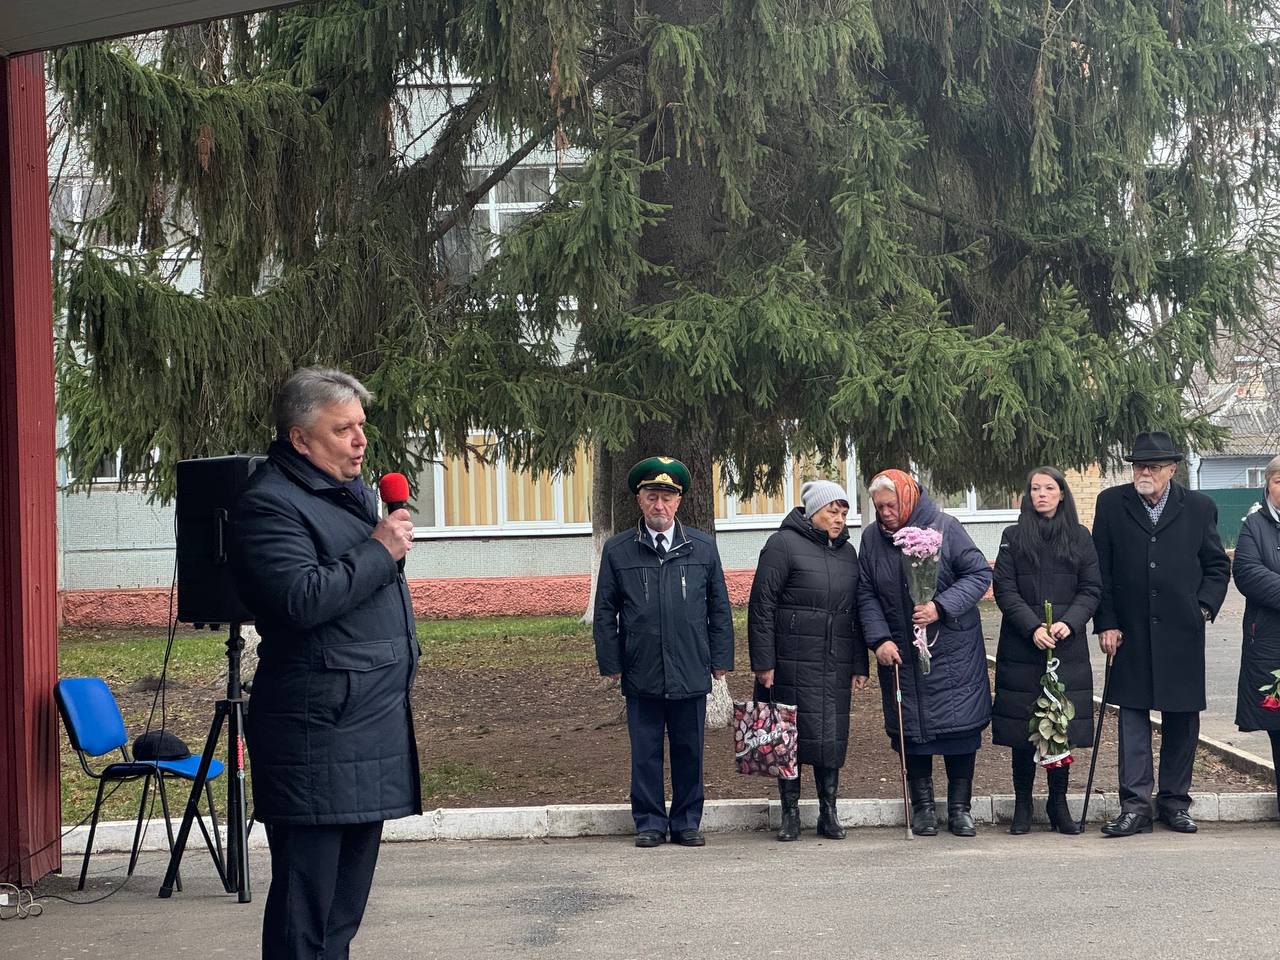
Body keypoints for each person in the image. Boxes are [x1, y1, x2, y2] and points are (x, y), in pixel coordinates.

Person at [231, 367, 420, 959]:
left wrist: (378, 543)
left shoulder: (354, 496)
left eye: (361, 426)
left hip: (366, 727)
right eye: (343, 429)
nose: (361, 440)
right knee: (304, 912)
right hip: (316, 733)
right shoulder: (269, 504)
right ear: (300, 439)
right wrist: (379, 549)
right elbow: (299, 600)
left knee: (340, 913)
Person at [1092, 430, 1230, 837]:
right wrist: (1106, 621)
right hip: (1129, 632)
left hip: (1181, 631)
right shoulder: (1111, 504)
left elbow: (1217, 566)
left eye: (1153, 466)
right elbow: (1102, 569)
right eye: (1138, 465)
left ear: (1172, 469)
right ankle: (1134, 806)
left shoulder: (1199, 506)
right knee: (1132, 717)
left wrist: (1202, 607)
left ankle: (1174, 802)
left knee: (1182, 719)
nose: (1144, 472)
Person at [593, 457, 734, 848]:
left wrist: (721, 658)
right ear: (640, 500)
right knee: (646, 753)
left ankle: (688, 821)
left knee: (690, 750)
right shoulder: (618, 550)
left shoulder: (702, 547)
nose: (659, 506)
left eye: (667, 498)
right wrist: (611, 663)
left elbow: (719, 606)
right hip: (642, 668)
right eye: (652, 497)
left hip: (691, 666)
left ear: (679, 502)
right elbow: (605, 611)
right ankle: (650, 822)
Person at [857, 469, 993, 837]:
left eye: (891, 504)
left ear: (909, 497)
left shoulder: (946, 527)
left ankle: (960, 808)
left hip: (952, 651)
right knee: (912, 732)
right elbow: (866, 592)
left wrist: (940, 606)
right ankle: (923, 808)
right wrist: (879, 639)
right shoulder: (871, 539)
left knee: (959, 732)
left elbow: (979, 574)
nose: (884, 512)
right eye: (878, 506)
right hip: (901, 652)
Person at [748, 479, 869, 842]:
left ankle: (828, 812)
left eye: (844, 512)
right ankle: (790, 814)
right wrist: (764, 661)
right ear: (812, 511)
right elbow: (762, 606)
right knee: (787, 737)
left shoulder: (848, 553)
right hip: (790, 661)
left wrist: (859, 663)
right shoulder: (782, 545)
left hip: (834, 662)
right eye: (833, 511)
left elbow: (857, 612)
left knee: (830, 738)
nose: (839, 519)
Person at [992, 467, 1102, 835]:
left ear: (1061, 494)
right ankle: (1023, 803)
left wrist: (1068, 622)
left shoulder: (1080, 537)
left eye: (1049, 488)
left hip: (1064, 647)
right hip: (1023, 646)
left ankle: (1058, 804)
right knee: (1023, 727)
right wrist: (1032, 627)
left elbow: (1091, 589)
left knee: (1060, 725)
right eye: (1035, 488)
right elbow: (1004, 589)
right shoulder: (1012, 536)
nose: (1041, 494)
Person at [1233, 454, 1280, 820]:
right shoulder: (1254, 526)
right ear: (1268, 485)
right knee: (1278, 728)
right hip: (1270, 642)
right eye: (1279, 480)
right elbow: (1248, 573)